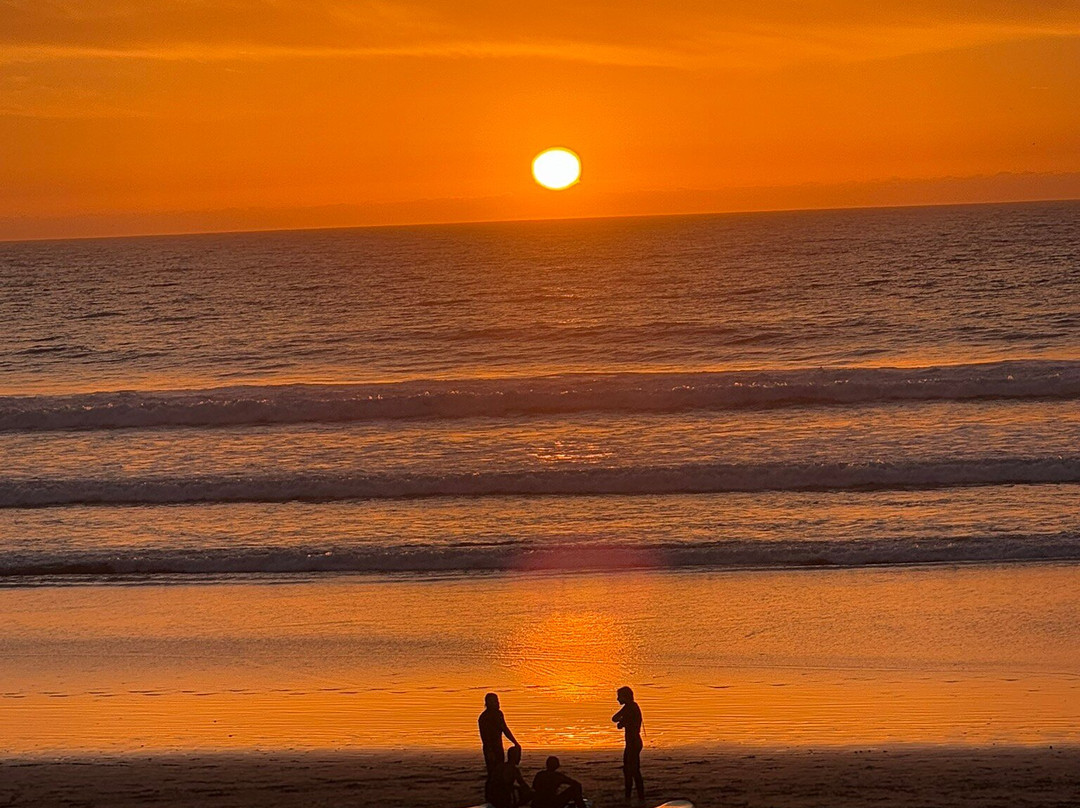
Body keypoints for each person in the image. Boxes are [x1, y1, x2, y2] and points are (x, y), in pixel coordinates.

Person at [479, 693, 519, 800]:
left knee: (500, 772)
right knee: (492, 774)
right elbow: (485, 738)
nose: (497, 703)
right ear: (487, 703)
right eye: (494, 701)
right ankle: (490, 797)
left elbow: (505, 729)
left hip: (498, 748)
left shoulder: (499, 714)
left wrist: (515, 742)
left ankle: (500, 796)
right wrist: (489, 752)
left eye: (497, 700)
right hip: (490, 749)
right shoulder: (484, 718)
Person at [612, 686, 645, 801]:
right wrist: (622, 721)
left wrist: (622, 721)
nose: (617, 699)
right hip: (634, 742)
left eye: (619, 697)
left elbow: (617, 722)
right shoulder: (631, 707)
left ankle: (633, 796)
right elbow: (615, 719)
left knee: (632, 770)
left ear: (624, 697)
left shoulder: (629, 708)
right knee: (631, 770)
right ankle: (634, 796)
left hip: (633, 743)